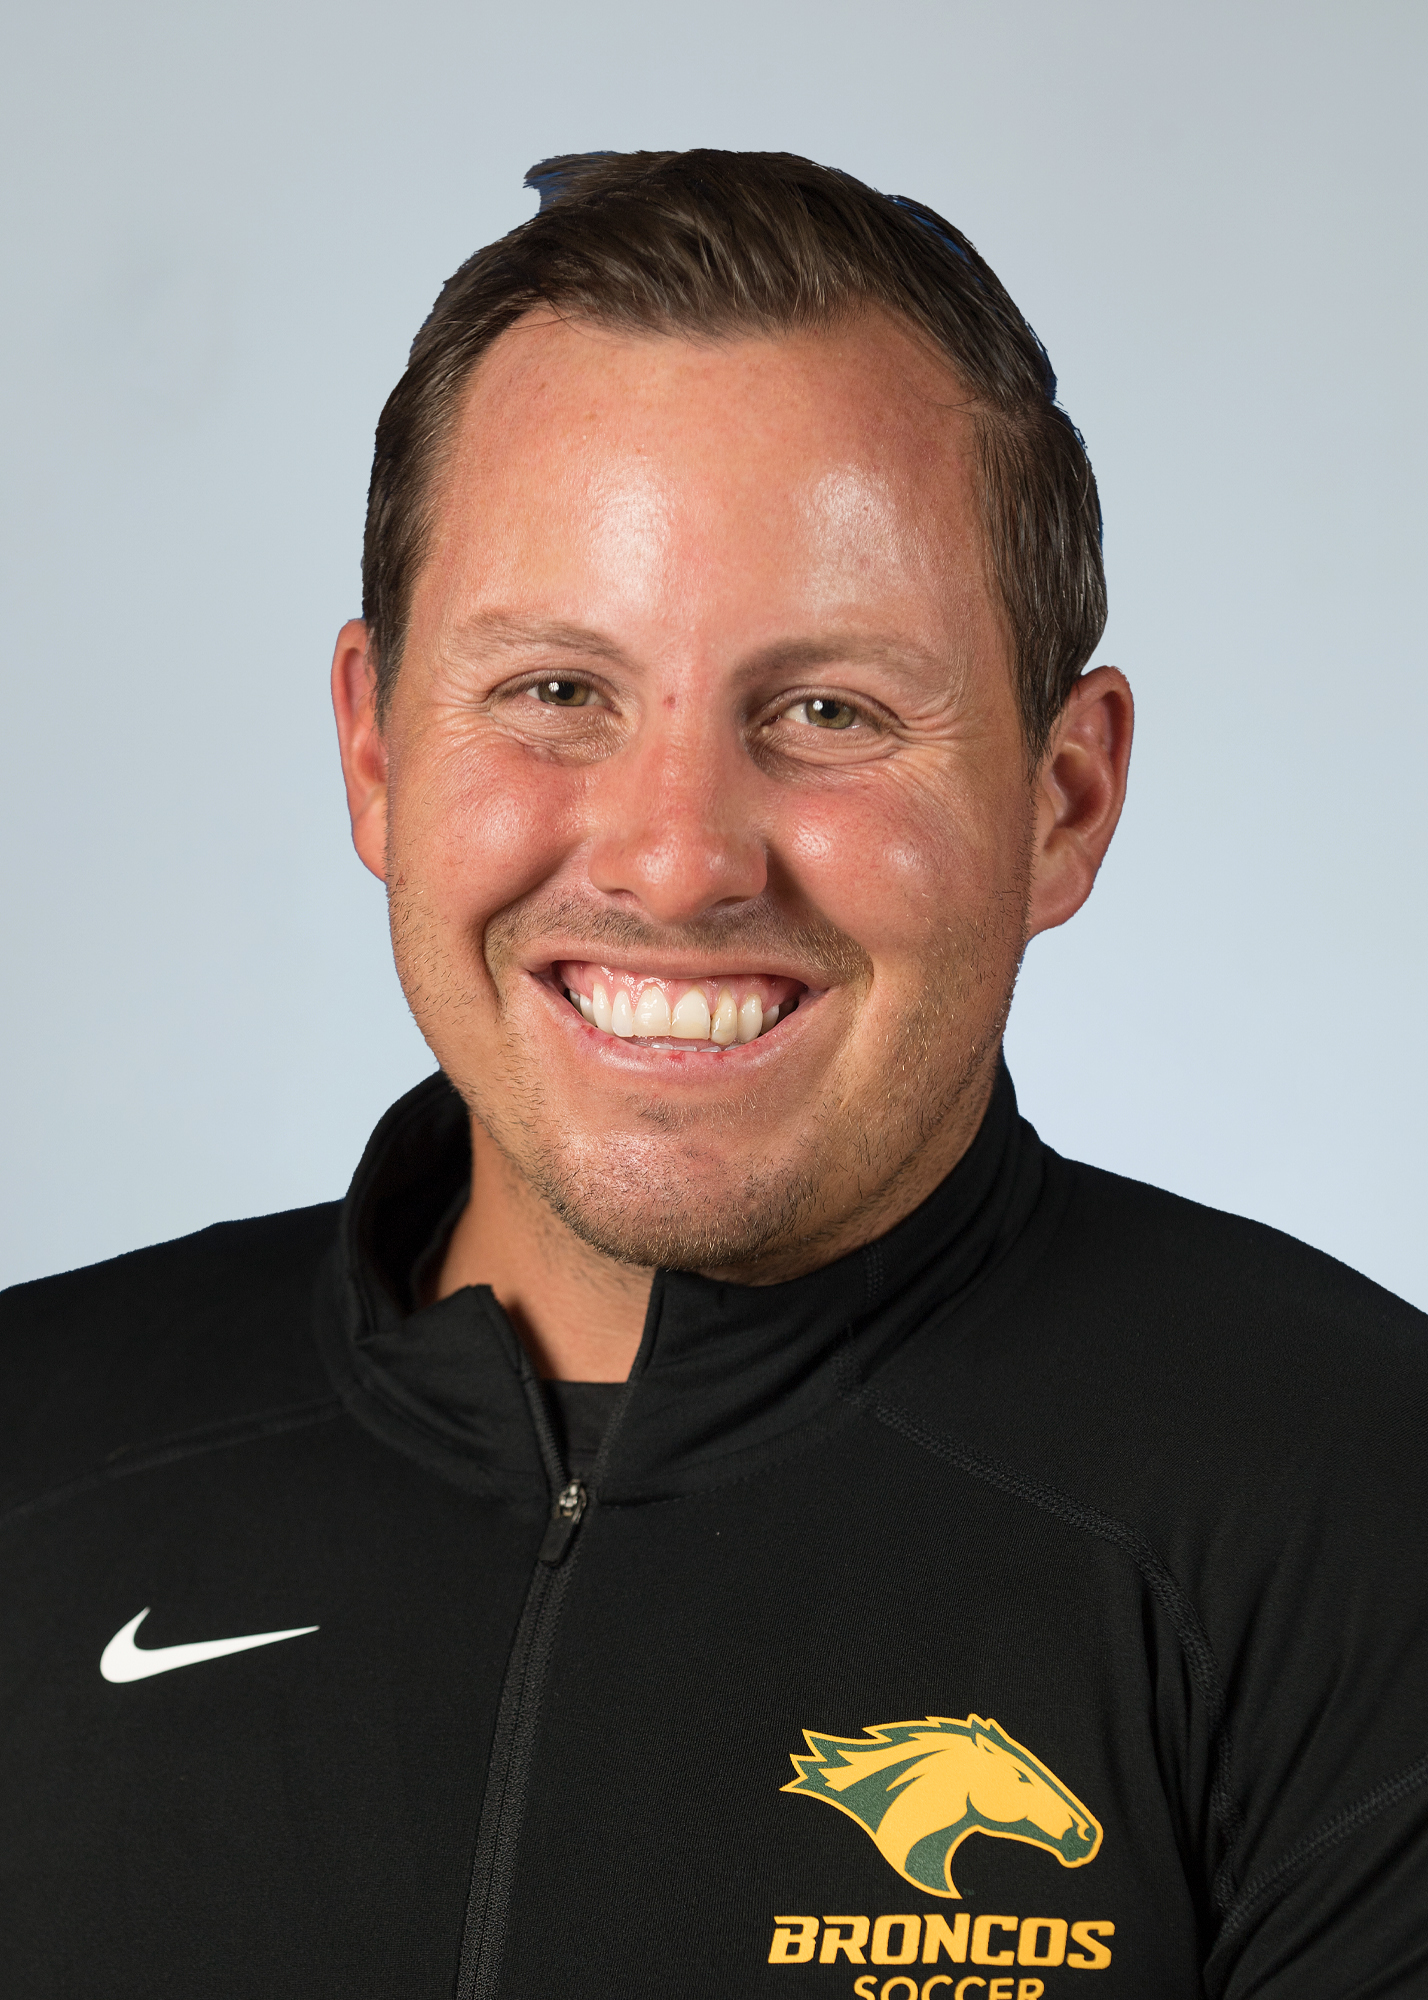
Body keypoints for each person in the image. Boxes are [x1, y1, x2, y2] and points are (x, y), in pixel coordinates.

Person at [1, 150, 1424, 2000]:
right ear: (375, 753)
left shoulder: (1362, 1514)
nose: (677, 863)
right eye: (556, 694)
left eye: (828, 711)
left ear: (1062, 801)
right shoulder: (36, 1456)